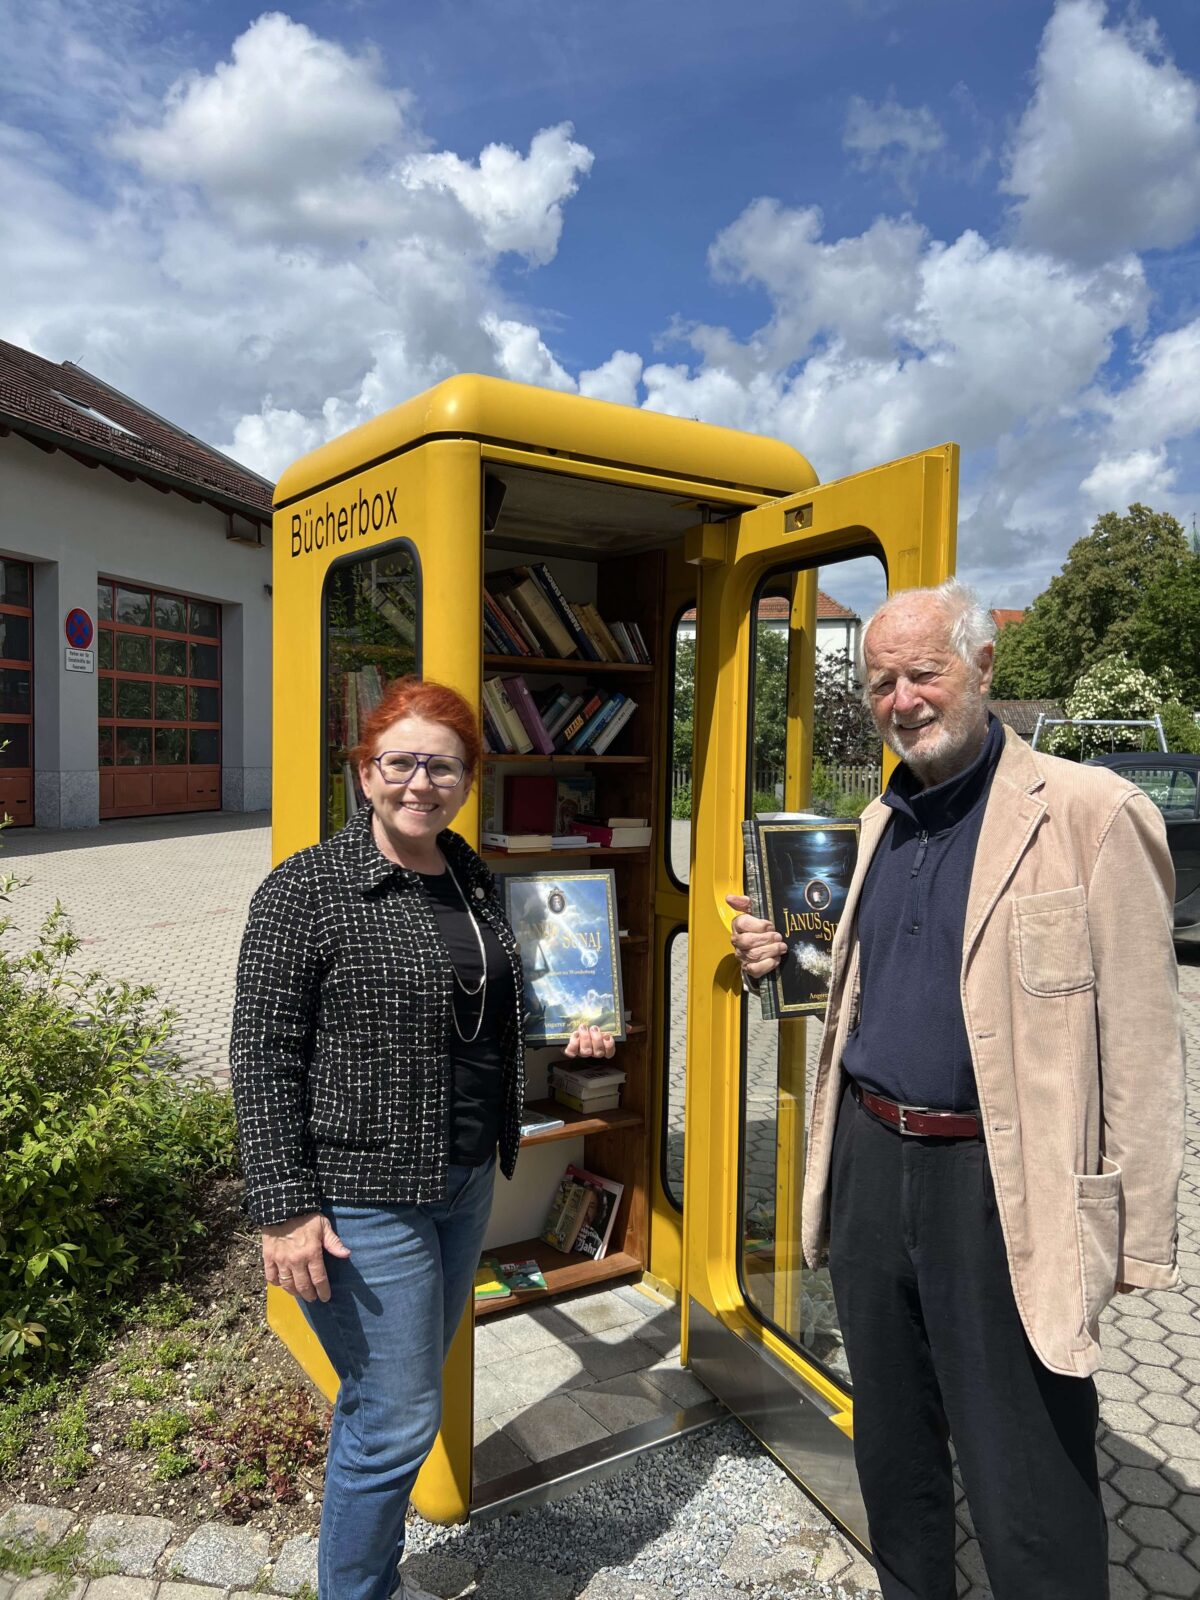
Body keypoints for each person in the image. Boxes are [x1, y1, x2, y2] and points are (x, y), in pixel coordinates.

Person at [728, 579, 1184, 1600]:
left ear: (981, 670)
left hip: (998, 1179)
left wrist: (1135, 1244)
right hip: (873, 1159)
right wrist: (778, 959)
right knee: (892, 1448)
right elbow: (871, 980)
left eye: (922, 673)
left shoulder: (1093, 815)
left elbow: (1150, 1053)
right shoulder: (884, 816)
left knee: (1026, 1471)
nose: (900, 700)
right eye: (881, 682)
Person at [230, 676, 615, 1600]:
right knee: (396, 1420)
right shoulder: (307, 890)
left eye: (441, 766)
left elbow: (485, 1004)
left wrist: (573, 1023)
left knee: (388, 1400)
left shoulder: (473, 876)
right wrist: (284, 1210)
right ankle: (357, 1591)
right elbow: (260, 1053)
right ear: (364, 774)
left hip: (464, 1174)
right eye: (398, 763)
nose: (419, 782)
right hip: (364, 1191)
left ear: (466, 780)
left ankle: (368, 1577)